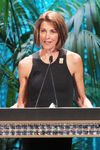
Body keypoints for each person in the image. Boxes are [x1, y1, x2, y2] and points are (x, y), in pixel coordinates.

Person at [17, 11, 93, 150]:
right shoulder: (25, 64)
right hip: (33, 135)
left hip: (62, 135)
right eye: (43, 31)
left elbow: (81, 99)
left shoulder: (74, 60)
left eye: (53, 31)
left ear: (60, 34)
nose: (47, 37)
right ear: (38, 33)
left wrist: (94, 115)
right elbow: (22, 103)